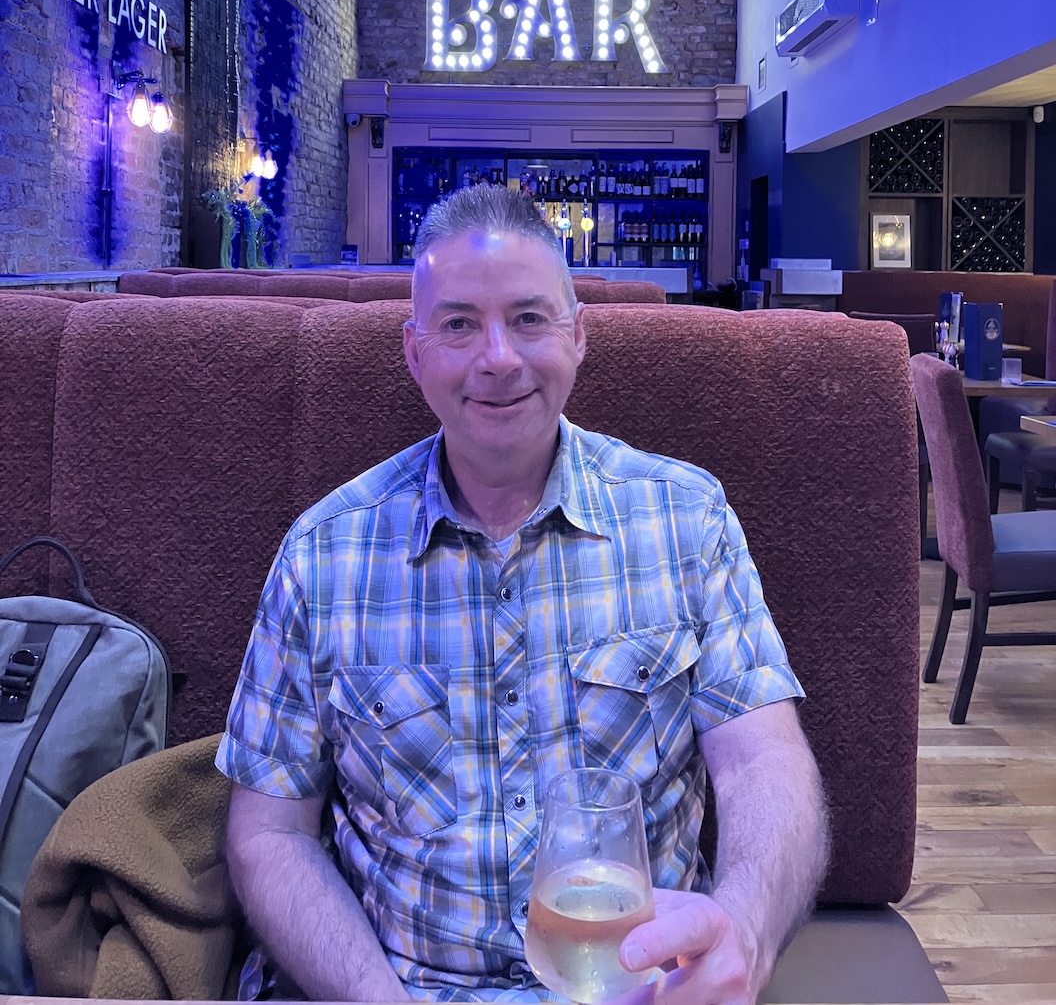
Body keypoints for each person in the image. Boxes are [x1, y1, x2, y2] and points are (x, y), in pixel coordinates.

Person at [217, 183, 829, 1005]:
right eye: (459, 324)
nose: (498, 357)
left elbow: (764, 762)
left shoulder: (688, 517)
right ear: (414, 353)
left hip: (632, 990)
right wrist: (373, 994)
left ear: (578, 337)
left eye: (530, 318)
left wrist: (743, 935)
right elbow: (268, 833)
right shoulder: (322, 553)